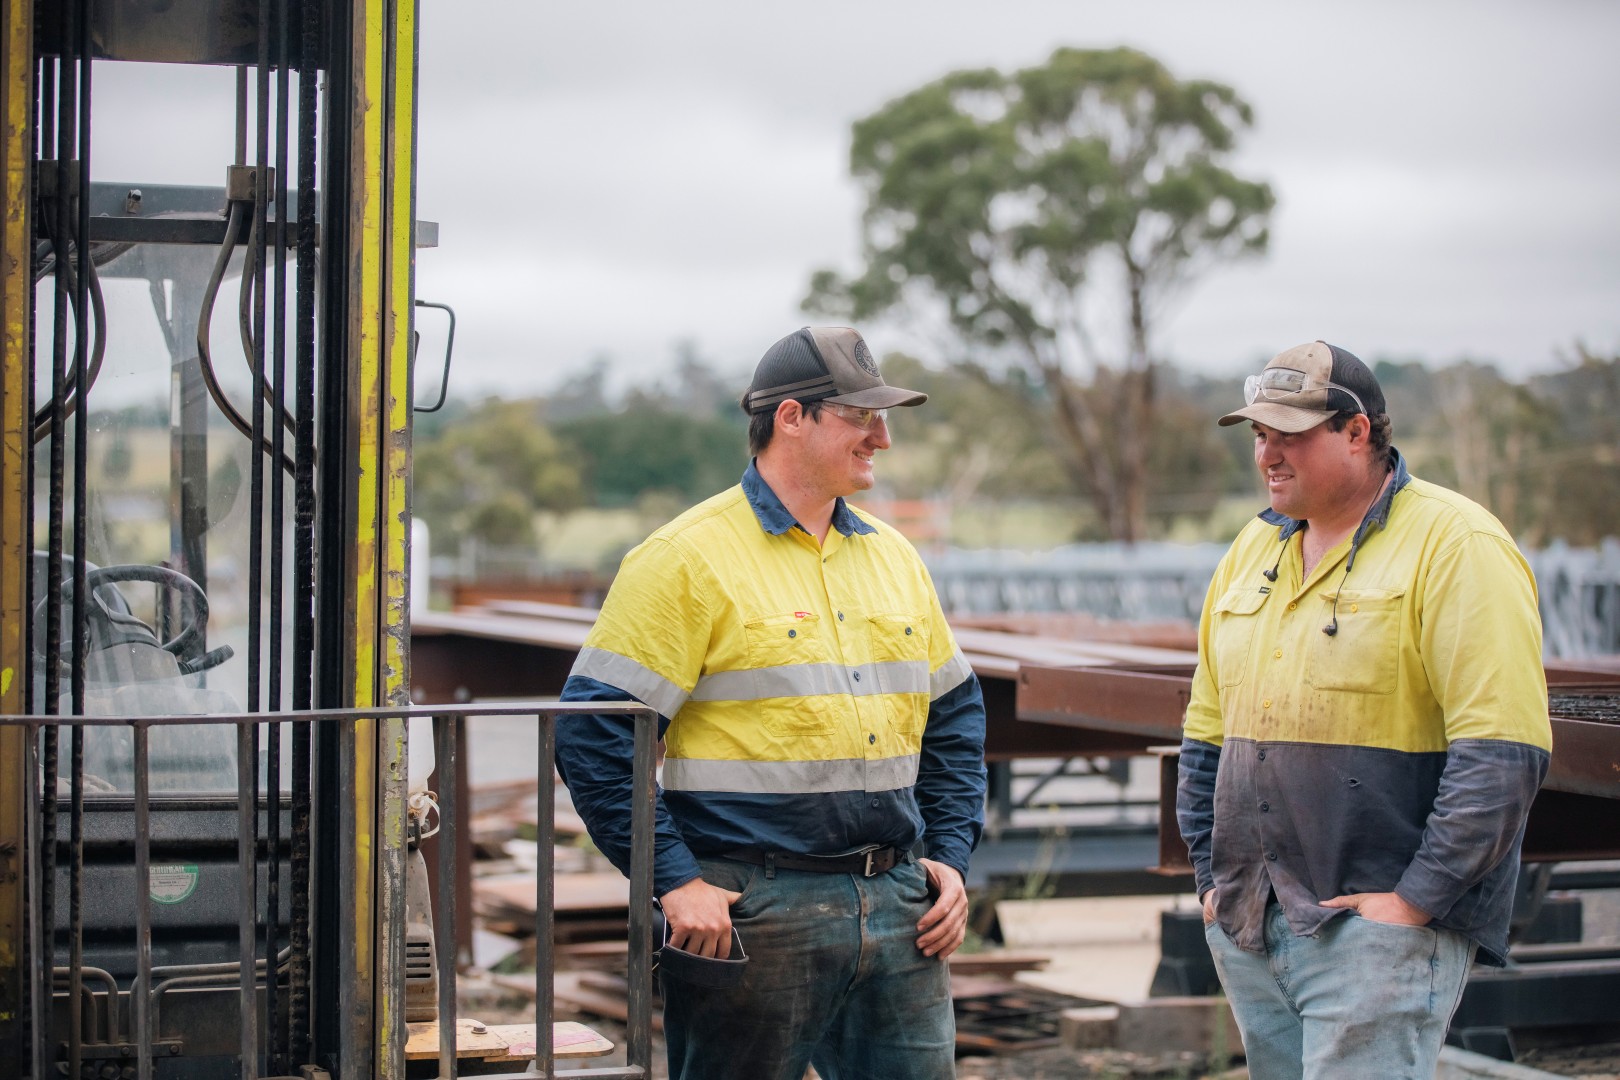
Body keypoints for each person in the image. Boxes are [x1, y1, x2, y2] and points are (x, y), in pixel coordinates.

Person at [555, 326, 988, 1079]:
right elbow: (595, 734)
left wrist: (948, 856)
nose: (882, 438)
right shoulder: (685, 558)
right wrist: (674, 882)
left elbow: (953, 717)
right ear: (792, 417)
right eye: (861, 416)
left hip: (896, 905)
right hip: (753, 914)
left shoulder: (894, 559)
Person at [1176, 341, 1552, 1080]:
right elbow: (1205, 734)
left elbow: (1503, 753)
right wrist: (1213, 885)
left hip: (1373, 935)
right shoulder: (1253, 549)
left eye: (1290, 434)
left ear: (1357, 430)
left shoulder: (1456, 544)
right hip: (1253, 923)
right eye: (1259, 434)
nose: (1268, 454)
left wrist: (1414, 904)